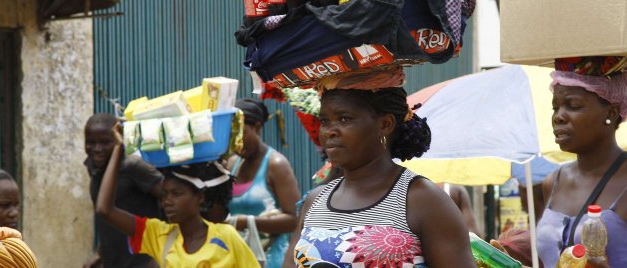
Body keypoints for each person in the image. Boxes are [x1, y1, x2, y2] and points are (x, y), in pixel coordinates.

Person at [285, 86, 476, 267]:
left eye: (344, 119)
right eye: (325, 121)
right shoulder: (315, 200)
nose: (329, 132)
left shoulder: (423, 199)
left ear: (385, 124)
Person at [536, 56, 627, 268]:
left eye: (573, 106)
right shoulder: (552, 183)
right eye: (555, 108)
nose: (559, 117)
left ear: (610, 113)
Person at [96, 122, 259, 267]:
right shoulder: (159, 234)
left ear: (200, 197)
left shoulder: (226, 237)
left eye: (176, 194)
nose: (167, 201)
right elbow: (105, 209)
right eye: (165, 194)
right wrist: (118, 149)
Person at [83, 113, 164, 268]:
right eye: (91, 143)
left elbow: (171, 202)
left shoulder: (133, 167)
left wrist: (158, 258)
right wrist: (100, 253)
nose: (97, 149)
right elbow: (108, 222)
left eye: (105, 142)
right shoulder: (95, 170)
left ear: (118, 140)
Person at [227, 98, 300, 268]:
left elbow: (295, 219)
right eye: (231, 135)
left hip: (271, 261)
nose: (236, 142)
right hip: (237, 261)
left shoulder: (276, 164)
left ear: (257, 127)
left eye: (241, 133)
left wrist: (246, 221)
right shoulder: (231, 164)